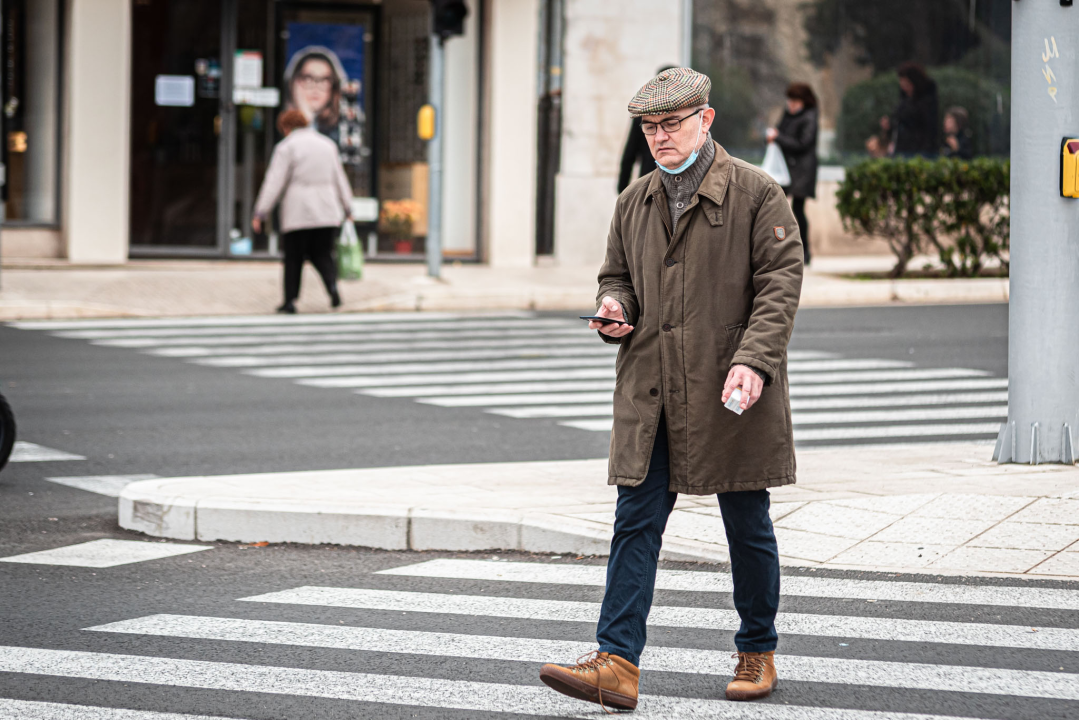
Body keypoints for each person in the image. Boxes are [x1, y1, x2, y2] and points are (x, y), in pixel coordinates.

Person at [539, 68, 803, 710]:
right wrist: (612, 308)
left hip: (726, 384)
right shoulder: (635, 201)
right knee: (636, 520)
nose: (658, 137)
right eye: (649, 127)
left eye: (671, 125)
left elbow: (781, 280)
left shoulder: (756, 192)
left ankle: (757, 649)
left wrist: (755, 360)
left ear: (705, 120)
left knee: (746, 521)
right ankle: (616, 663)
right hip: (652, 387)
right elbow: (617, 276)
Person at [252, 109, 352, 314]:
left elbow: (274, 182)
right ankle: (332, 287)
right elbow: (339, 178)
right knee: (323, 254)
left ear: (286, 128)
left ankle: (290, 301)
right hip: (327, 211)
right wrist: (348, 207)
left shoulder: (286, 147)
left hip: (298, 212)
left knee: (293, 258)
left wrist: (261, 212)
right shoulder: (327, 145)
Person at [767, 83, 819, 265]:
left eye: (795, 101)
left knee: (798, 209)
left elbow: (803, 143)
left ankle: (805, 251)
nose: (791, 104)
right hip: (785, 169)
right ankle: (778, 249)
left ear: (803, 101)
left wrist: (778, 137)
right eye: (790, 100)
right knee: (775, 209)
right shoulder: (788, 114)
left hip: (802, 171)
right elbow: (780, 132)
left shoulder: (810, 117)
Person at [618, 65, 677, 192]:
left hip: (653, 182)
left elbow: (629, 155)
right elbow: (630, 154)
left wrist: (622, 191)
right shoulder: (643, 114)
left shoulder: (689, 116)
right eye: (651, 127)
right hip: (652, 183)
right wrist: (624, 195)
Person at [879, 62, 939, 157]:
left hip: (918, 151)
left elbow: (929, 127)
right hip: (901, 149)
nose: (903, 86)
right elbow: (898, 119)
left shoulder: (926, 101)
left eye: (906, 83)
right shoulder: (904, 99)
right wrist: (889, 124)